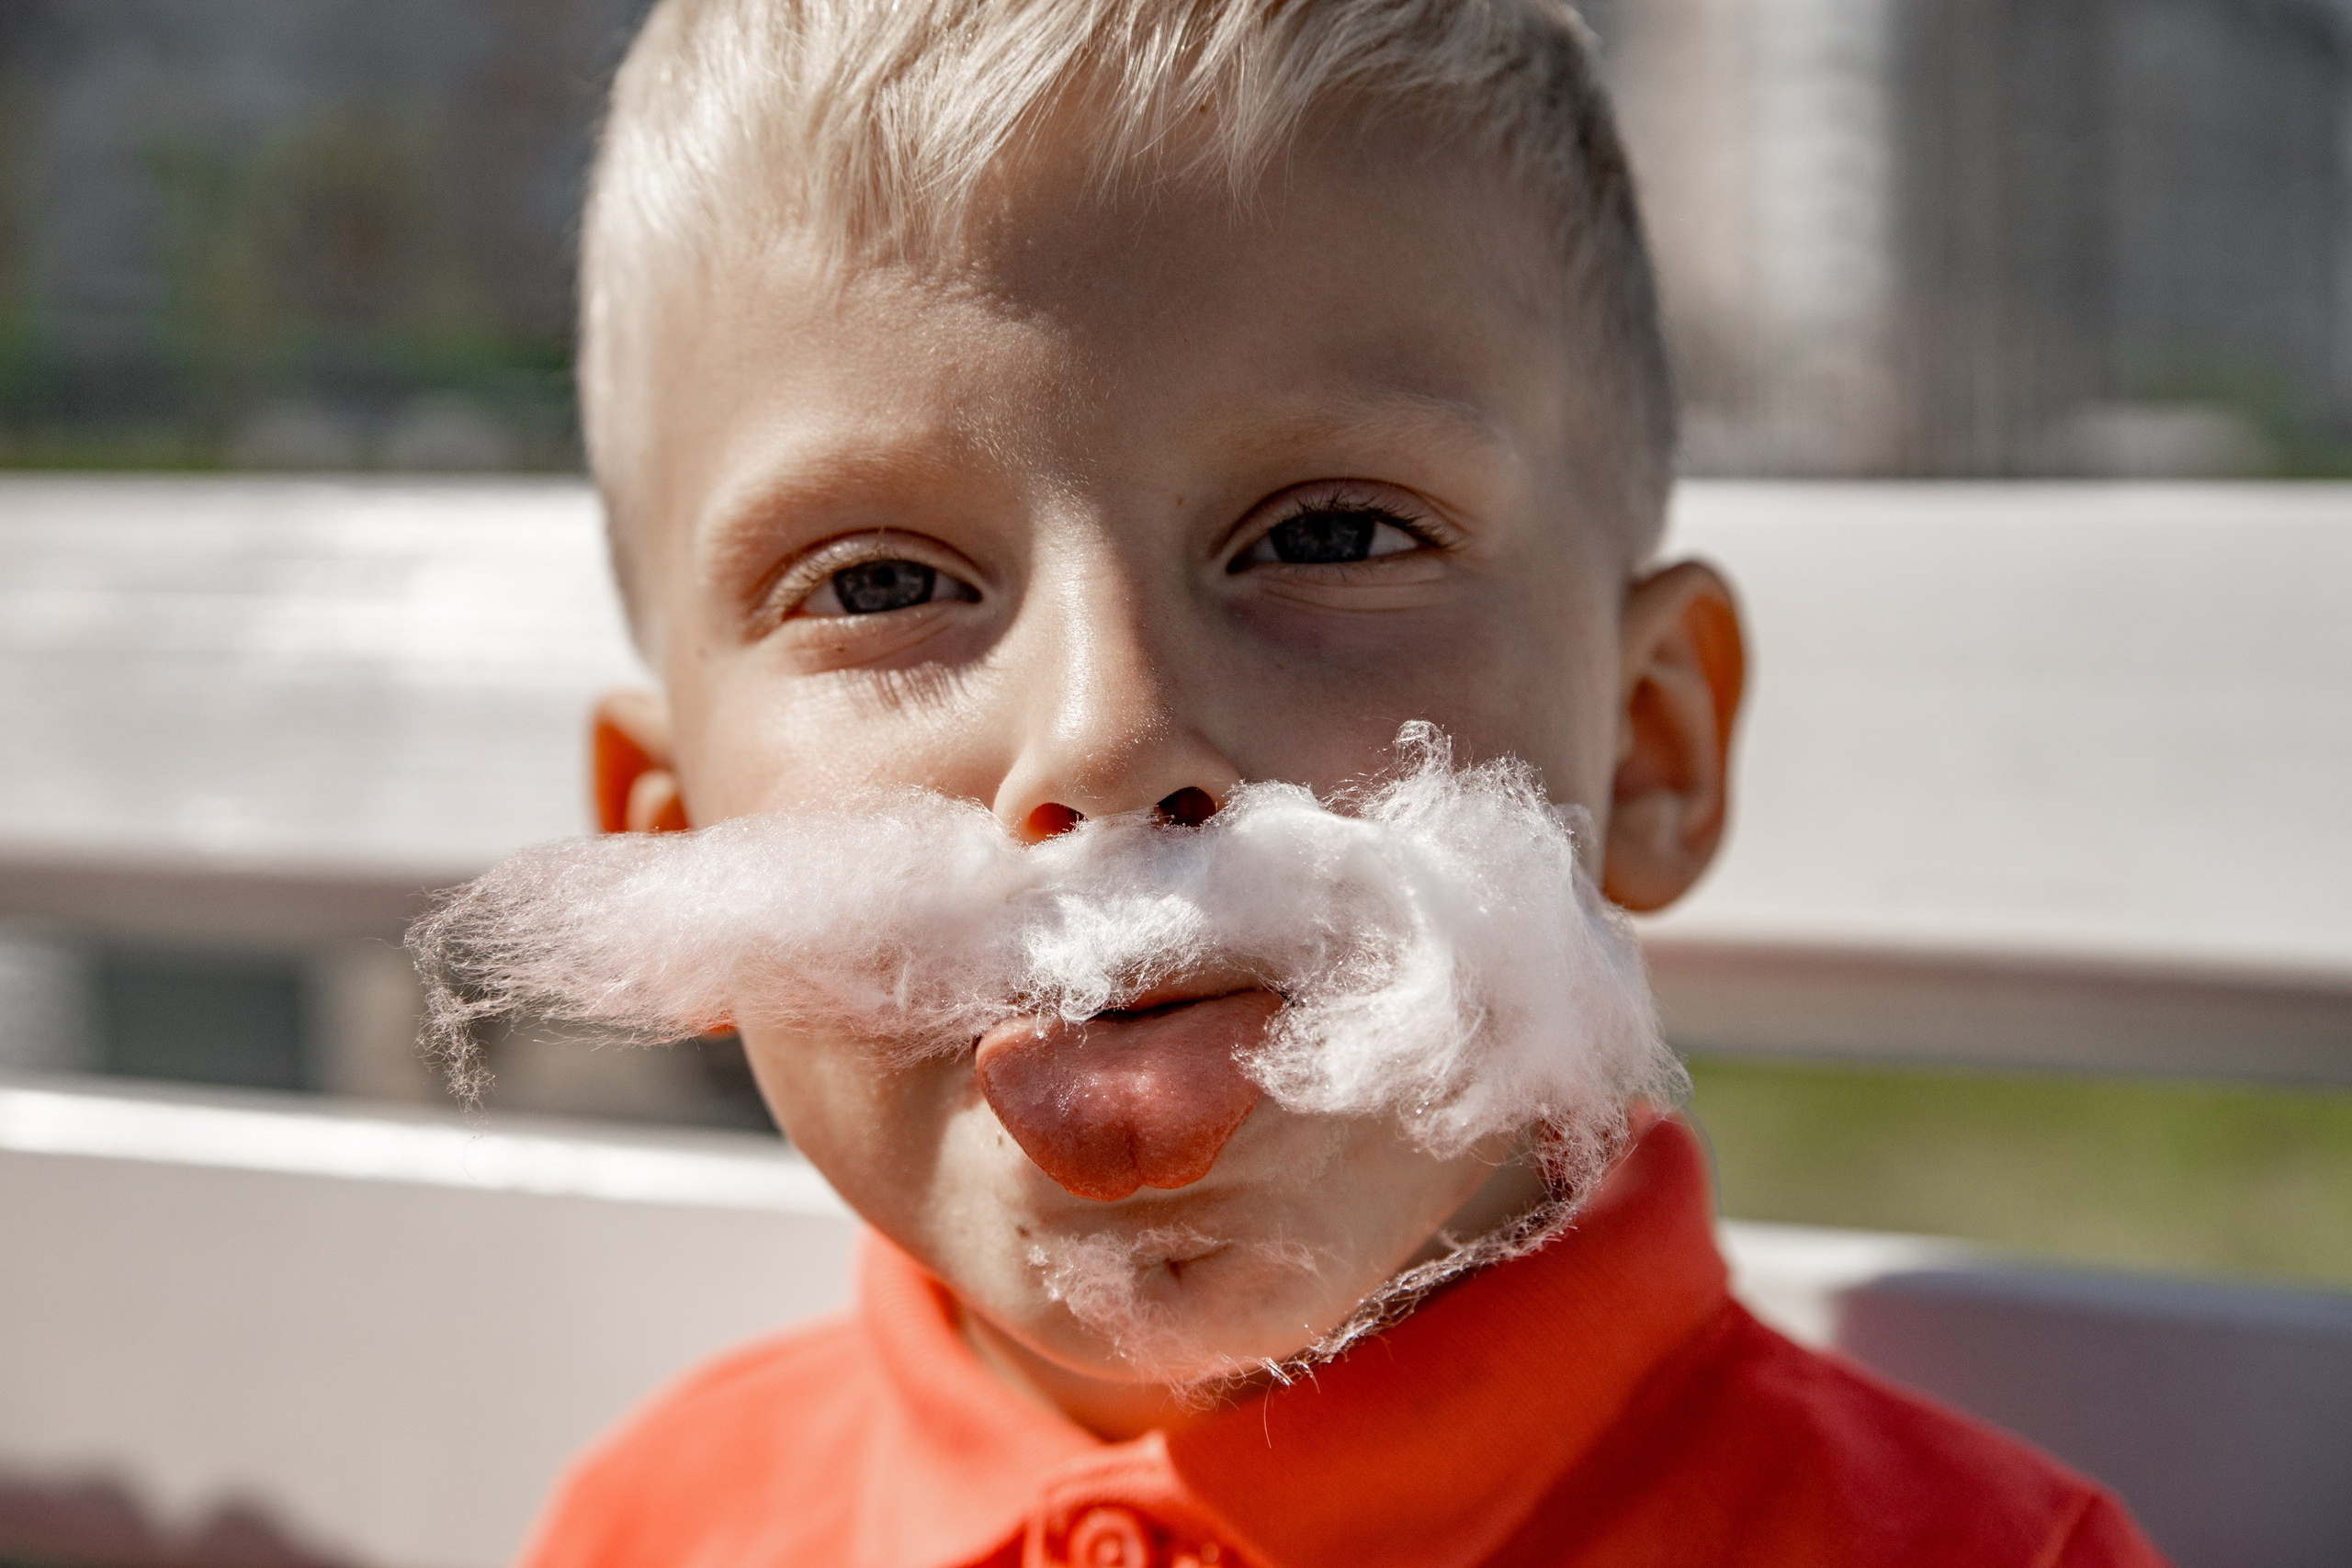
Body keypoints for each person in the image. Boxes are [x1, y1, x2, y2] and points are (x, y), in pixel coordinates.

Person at [511, 1, 2168, 1562]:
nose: (1106, 738)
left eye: (1330, 535)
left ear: (1653, 746)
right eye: (879, 585)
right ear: (673, 862)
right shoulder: (655, 1522)